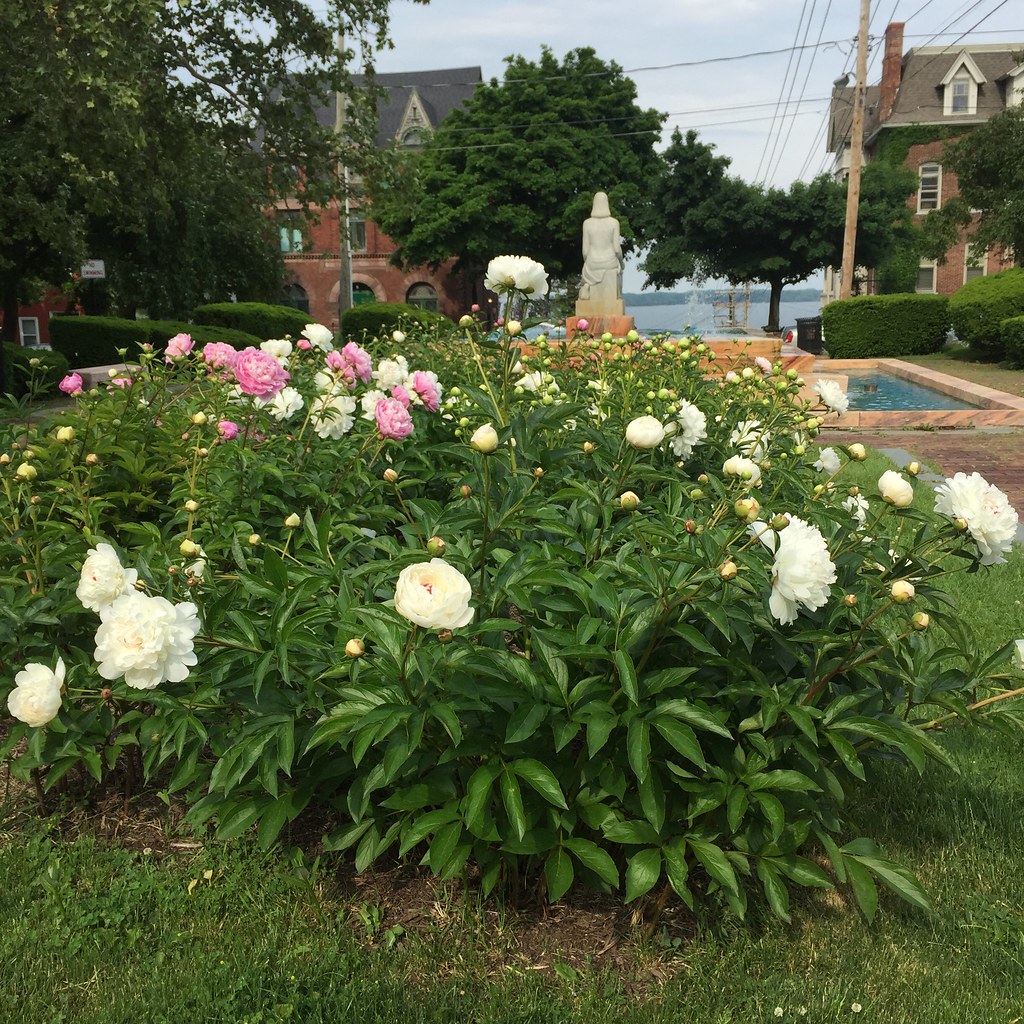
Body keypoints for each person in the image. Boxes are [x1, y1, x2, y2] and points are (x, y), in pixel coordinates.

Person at [578, 191, 623, 307]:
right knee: (618, 269)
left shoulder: (587, 223)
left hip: (592, 263)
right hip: (609, 262)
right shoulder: (614, 223)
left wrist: (589, 262)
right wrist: (621, 263)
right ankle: (616, 297)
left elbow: (585, 251)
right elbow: (617, 249)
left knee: (587, 269)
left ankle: (587, 287)